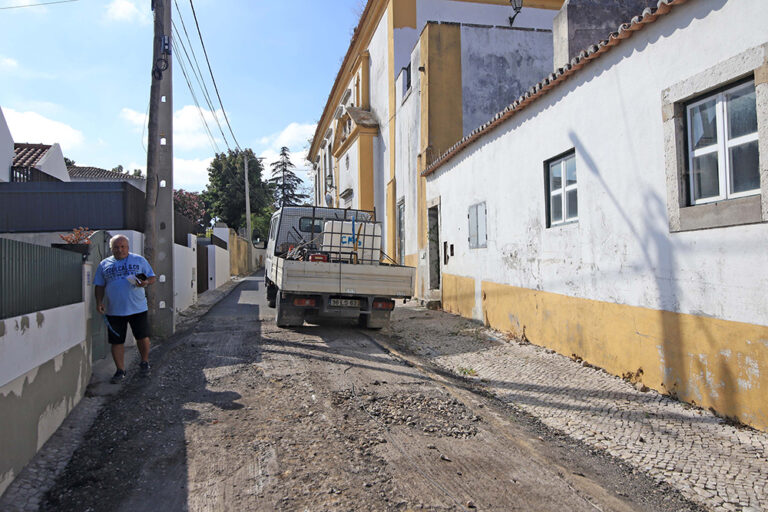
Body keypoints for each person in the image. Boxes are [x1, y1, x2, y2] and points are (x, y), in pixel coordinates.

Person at [94, 234, 157, 384]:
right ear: (111, 249)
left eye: (123, 246)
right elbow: (99, 285)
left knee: (142, 337)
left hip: (138, 307)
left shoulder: (139, 260)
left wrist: (145, 282)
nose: (120, 249)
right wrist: (99, 302)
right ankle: (120, 370)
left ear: (128, 248)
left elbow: (152, 277)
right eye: (116, 247)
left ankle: (144, 362)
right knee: (116, 341)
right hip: (115, 310)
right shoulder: (104, 264)